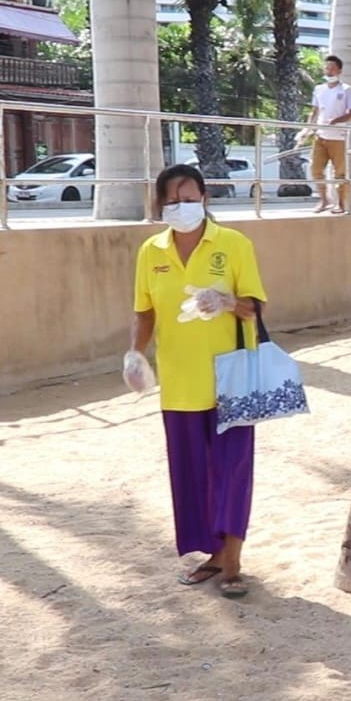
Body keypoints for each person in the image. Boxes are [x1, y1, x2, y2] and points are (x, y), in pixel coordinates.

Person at [125, 164, 267, 599]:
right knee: (192, 475)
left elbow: (254, 307)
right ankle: (213, 553)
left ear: (204, 198)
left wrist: (225, 301)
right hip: (179, 381)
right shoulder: (151, 251)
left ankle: (234, 562)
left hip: (231, 380)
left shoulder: (233, 244)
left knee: (232, 471)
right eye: (172, 200)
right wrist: (135, 353)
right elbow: (144, 310)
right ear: (160, 204)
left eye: (189, 198)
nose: (181, 207)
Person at [305, 54, 351, 214]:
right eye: (326, 68)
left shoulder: (346, 90)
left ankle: (341, 204)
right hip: (320, 135)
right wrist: (308, 128)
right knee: (316, 169)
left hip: (338, 137)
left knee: (340, 172)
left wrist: (336, 121)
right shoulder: (319, 89)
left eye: (332, 69)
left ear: (339, 71)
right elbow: (314, 111)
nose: (328, 72)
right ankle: (324, 200)